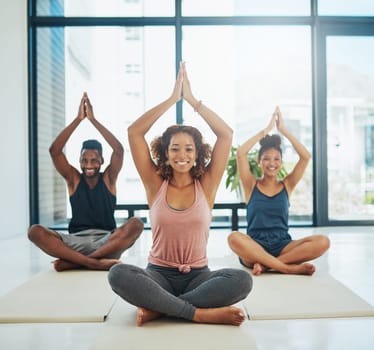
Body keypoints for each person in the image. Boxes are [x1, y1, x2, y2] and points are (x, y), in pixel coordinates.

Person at [108, 62, 252, 327]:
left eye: (188, 149)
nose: (182, 155)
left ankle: (161, 308)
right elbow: (134, 133)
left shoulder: (207, 184)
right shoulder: (155, 183)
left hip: (198, 276)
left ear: (198, 154)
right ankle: (196, 313)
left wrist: (194, 101)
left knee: (242, 280)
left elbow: (226, 134)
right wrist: (172, 98)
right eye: (175, 149)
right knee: (118, 274)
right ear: (165, 153)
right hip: (158, 275)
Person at [28, 92, 144, 272]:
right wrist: (78, 119)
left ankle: (77, 262)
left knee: (136, 223)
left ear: (101, 162)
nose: (89, 165)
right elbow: (55, 151)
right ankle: (94, 262)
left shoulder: (109, 178)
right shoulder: (73, 179)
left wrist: (93, 120)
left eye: (94, 160)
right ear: (80, 161)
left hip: (107, 242)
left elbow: (119, 150)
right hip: (75, 242)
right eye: (84, 160)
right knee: (34, 231)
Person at [228, 106, 330, 276]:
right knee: (234, 238)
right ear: (259, 162)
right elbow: (241, 153)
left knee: (323, 241)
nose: (271, 163)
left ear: (281, 162)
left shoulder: (287, 185)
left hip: (283, 247)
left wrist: (283, 130)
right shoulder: (251, 185)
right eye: (266, 158)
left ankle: (268, 265)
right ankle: (287, 268)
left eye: (276, 159)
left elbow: (305, 156)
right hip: (255, 248)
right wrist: (266, 130)